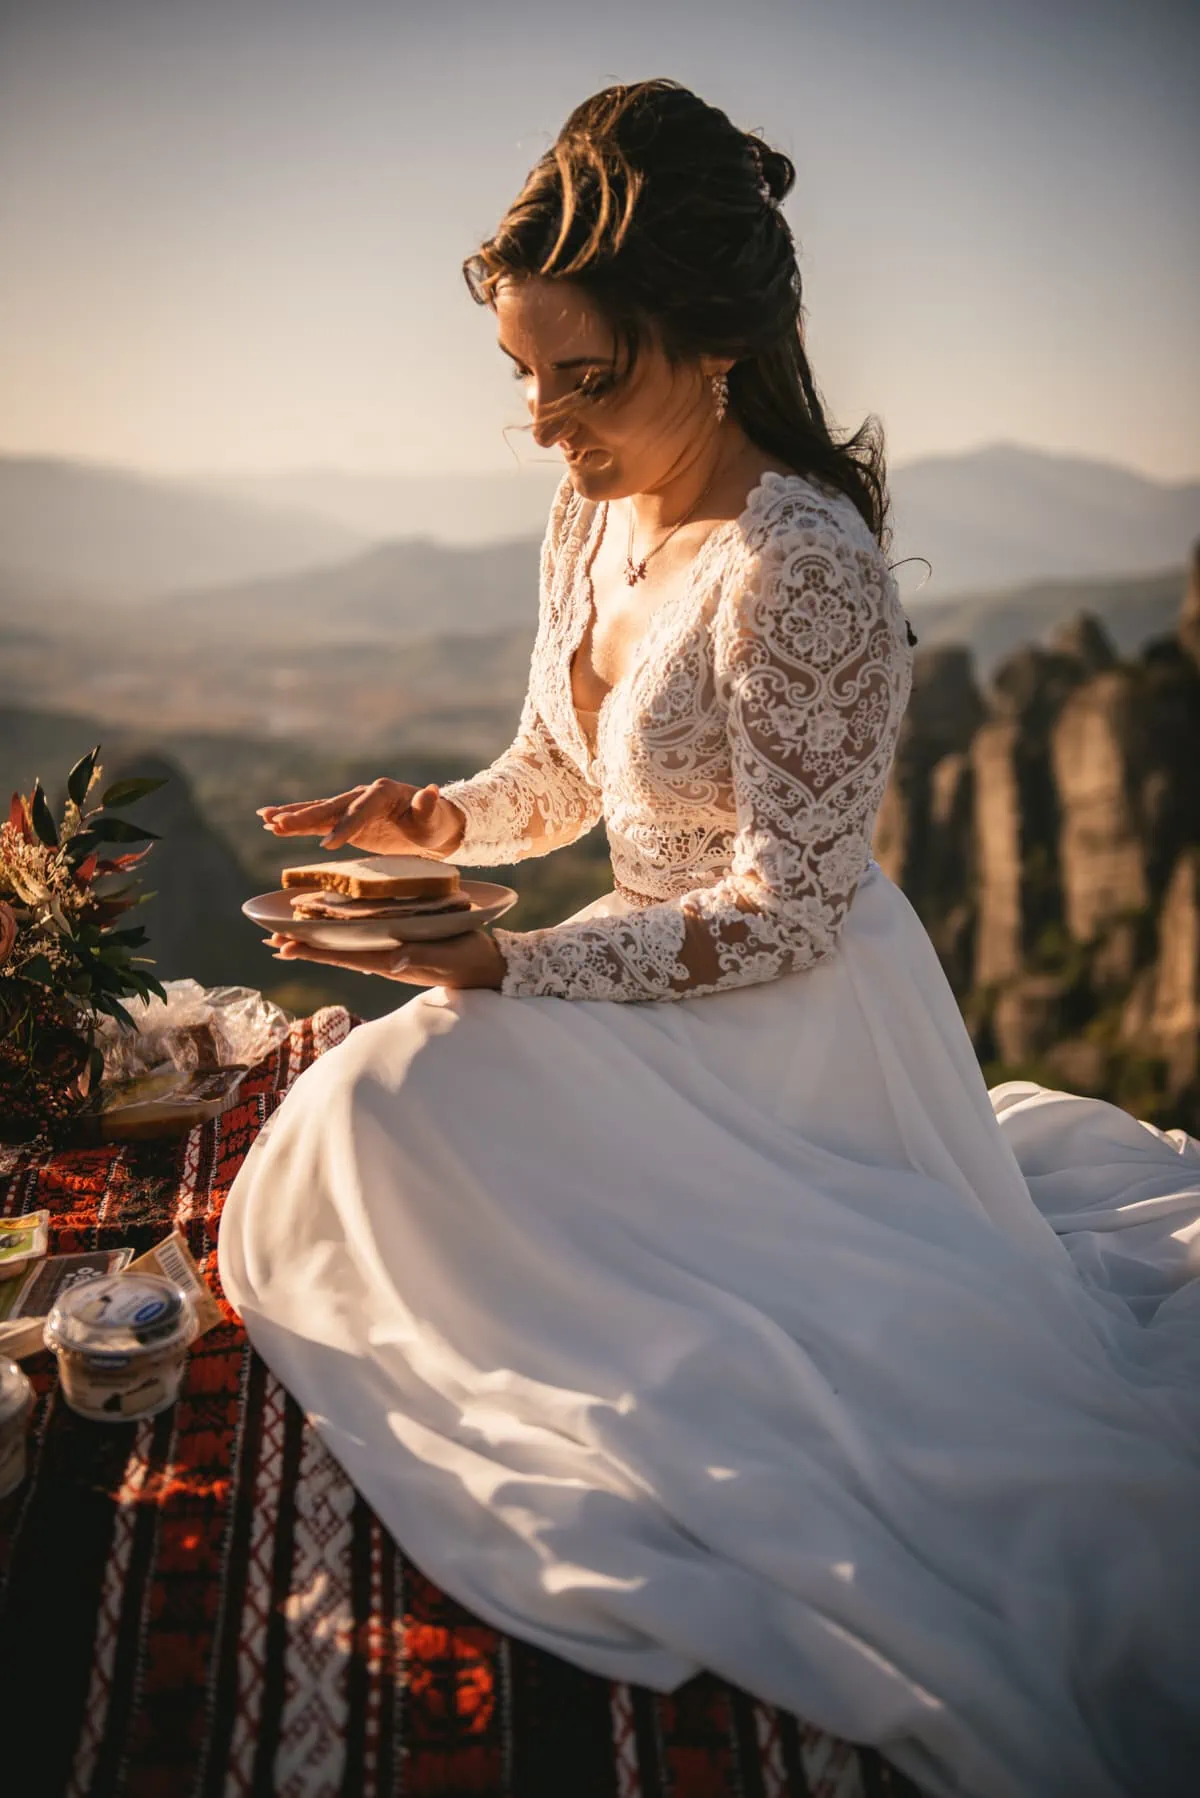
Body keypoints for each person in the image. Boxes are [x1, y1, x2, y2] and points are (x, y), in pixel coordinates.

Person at [218, 79, 1200, 1798]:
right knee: (363, 1115)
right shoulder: (593, 508)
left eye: (581, 375)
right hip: (641, 969)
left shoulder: (798, 565)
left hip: (787, 1019)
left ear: (719, 338)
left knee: (384, 1114)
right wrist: (433, 822)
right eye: (523, 373)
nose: (543, 421)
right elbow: (558, 777)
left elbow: (785, 907)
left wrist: (511, 966)